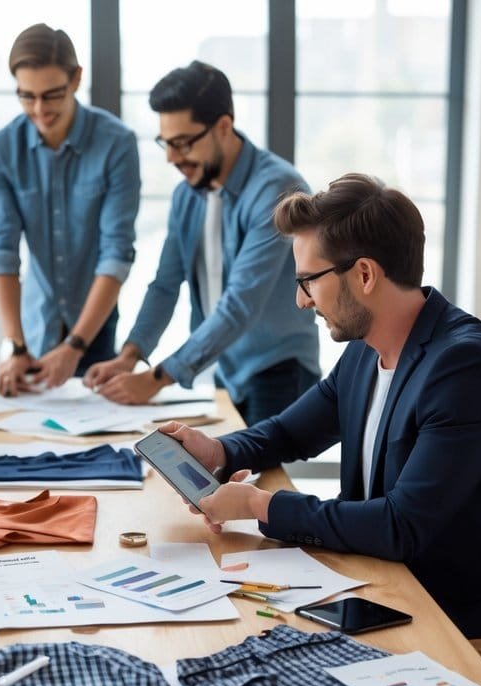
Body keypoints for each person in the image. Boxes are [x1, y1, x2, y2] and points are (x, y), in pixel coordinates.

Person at [160, 173, 481, 686]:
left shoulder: (462, 366)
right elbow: (290, 432)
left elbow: (401, 527)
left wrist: (261, 506)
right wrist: (218, 451)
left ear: (363, 274)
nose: (301, 299)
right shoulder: (368, 349)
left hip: (469, 638)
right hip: (393, 600)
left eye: (308, 280)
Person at [84, 61, 320, 428]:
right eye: (166, 142)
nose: (172, 157)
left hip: (278, 370)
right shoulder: (186, 196)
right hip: (223, 365)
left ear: (223, 127)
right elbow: (165, 285)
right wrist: (129, 356)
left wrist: (156, 379)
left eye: (182, 143)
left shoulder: (276, 190)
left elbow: (239, 305)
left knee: (259, 480)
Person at [0, 23, 140, 395]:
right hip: (34, 328)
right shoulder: (2, 148)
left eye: (52, 94)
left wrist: (75, 345)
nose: (39, 110)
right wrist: (17, 346)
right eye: (26, 96)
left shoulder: (117, 144)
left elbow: (116, 254)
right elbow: (2, 253)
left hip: (95, 326)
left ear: (76, 79)